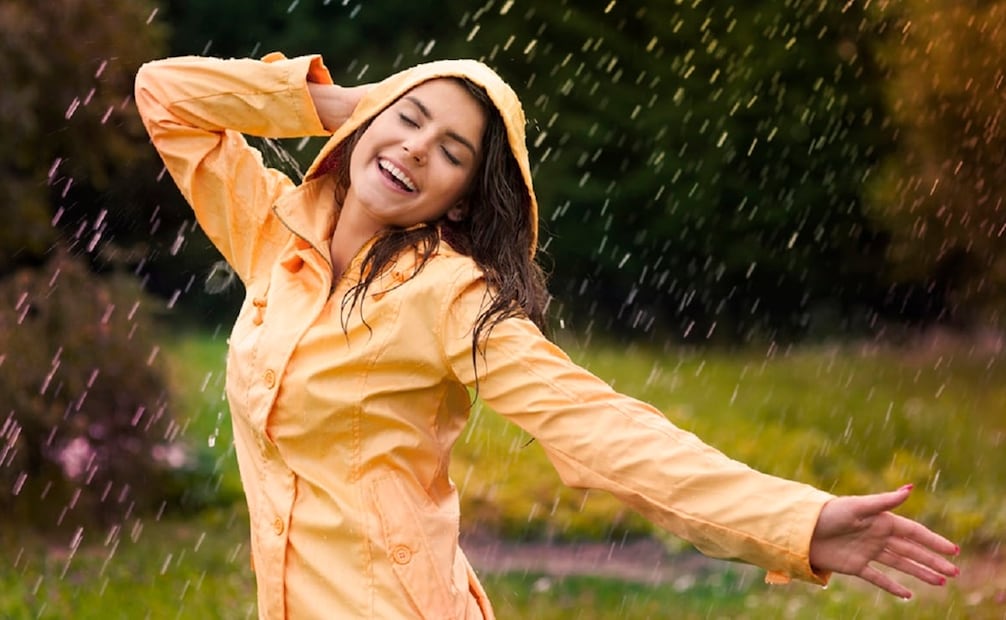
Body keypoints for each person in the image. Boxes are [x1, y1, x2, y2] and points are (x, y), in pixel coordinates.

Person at [133, 51, 959, 619]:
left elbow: (604, 433)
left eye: (450, 150)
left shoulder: (451, 298)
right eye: (409, 118)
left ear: (461, 198)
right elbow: (164, 93)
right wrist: (346, 106)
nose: (415, 148)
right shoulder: (275, 235)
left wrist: (797, 520)